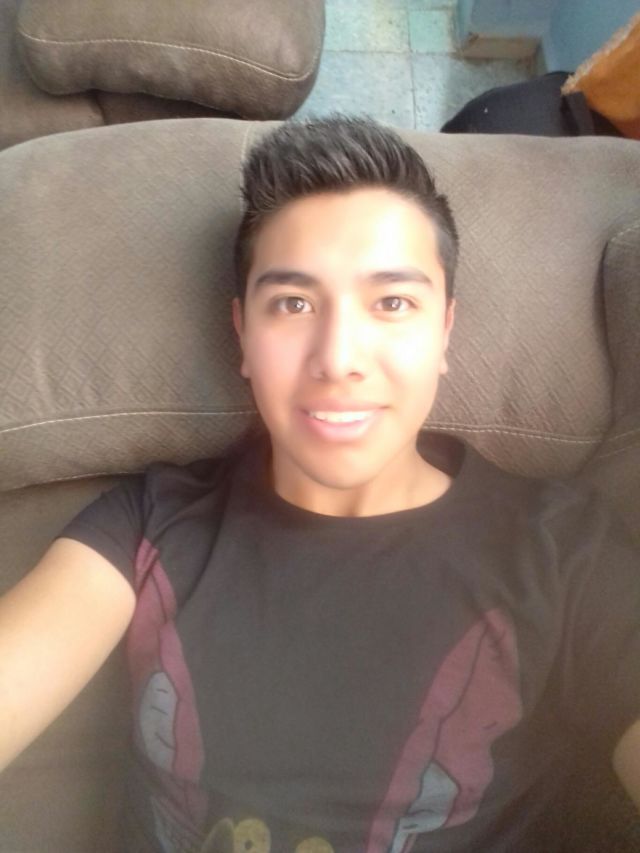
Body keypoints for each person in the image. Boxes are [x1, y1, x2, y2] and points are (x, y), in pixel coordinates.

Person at [0, 116, 639, 853]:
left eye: (392, 303)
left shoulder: (566, 556)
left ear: (444, 332)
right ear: (242, 334)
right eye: (293, 303)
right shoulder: (146, 529)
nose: (338, 358)